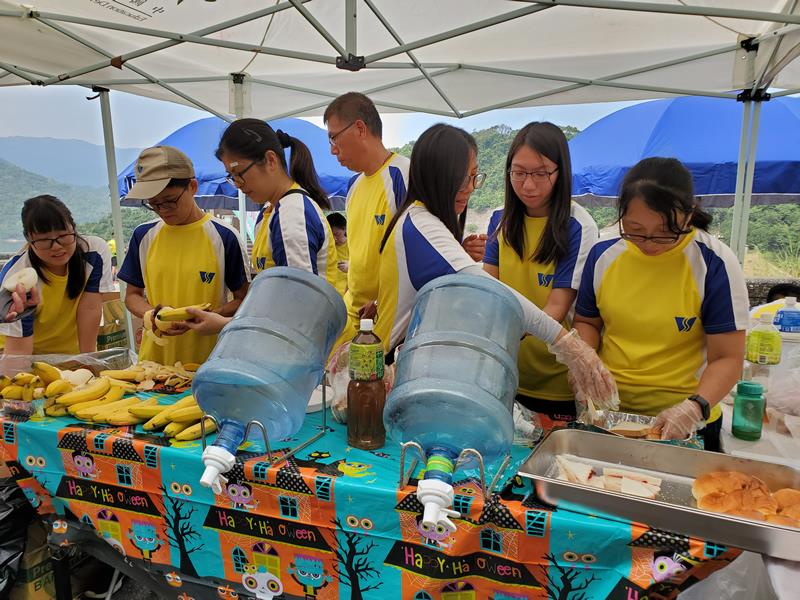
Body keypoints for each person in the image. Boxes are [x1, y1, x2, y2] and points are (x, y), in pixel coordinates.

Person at [376, 123, 616, 407]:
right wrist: (568, 344)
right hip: (397, 369)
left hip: (529, 373)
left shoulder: (577, 225)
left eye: (474, 177)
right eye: (464, 178)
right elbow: (486, 289)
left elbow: (487, 298)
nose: (470, 188)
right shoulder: (424, 224)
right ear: (439, 176)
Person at [573, 157, 748, 451]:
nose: (650, 244)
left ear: (689, 214)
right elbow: (587, 322)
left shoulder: (714, 262)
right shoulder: (603, 252)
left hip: (684, 419)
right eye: (636, 230)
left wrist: (694, 408)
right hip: (607, 415)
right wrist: (583, 362)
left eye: (666, 233)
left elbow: (728, 358)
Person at [484, 123, 598, 424]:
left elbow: (557, 307)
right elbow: (489, 291)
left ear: (560, 172)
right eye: (518, 172)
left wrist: (505, 335)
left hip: (558, 380)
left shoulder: (578, 226)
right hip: (508, 378)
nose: (528, 185)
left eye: (540, 173)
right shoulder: (499, 220)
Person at [182, 119, 339, 336]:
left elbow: (300, 307)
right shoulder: (269, 212)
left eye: (240, 174)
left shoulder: (291, 213)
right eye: (232, 177)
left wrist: (223, 325)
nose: (237, 184)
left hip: (314, 345)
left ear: (270, 160)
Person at [117, 146, 250, 365]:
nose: (163, 209)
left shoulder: (224, 237)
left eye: (169, 200)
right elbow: (132, 296)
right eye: (154, 203)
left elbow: (243, 299)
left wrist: (213, 315)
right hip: (154, 363)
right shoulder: (144, 235)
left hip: (208, 362)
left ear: (192, 187)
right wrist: (153, 315)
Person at [323, 92, 411, 345]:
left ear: (360, 128)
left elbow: (416, 258)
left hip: (388, 323)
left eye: (334, 137)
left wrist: (382, 302)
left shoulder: (402, 177)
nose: (332, 149)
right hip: (353, 317)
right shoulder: (354, 186)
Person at [0, 195, 114, 355]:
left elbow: (89, 308)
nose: (56, 247)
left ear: (73, 228)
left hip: (69, 355)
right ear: (28, 239)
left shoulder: (94, 252)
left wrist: (87, 360)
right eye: (44, 240)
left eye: (63, 236)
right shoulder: (18, 276)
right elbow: (18, 348)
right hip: (22, 354)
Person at [327, 212, 349, 296]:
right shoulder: (328, 247)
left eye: (337, 234)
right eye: (331, 235)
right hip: (331, 293)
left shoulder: (352, 245)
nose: (334, 239)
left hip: (348, 294)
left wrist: (351, 267)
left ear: (344, 229)